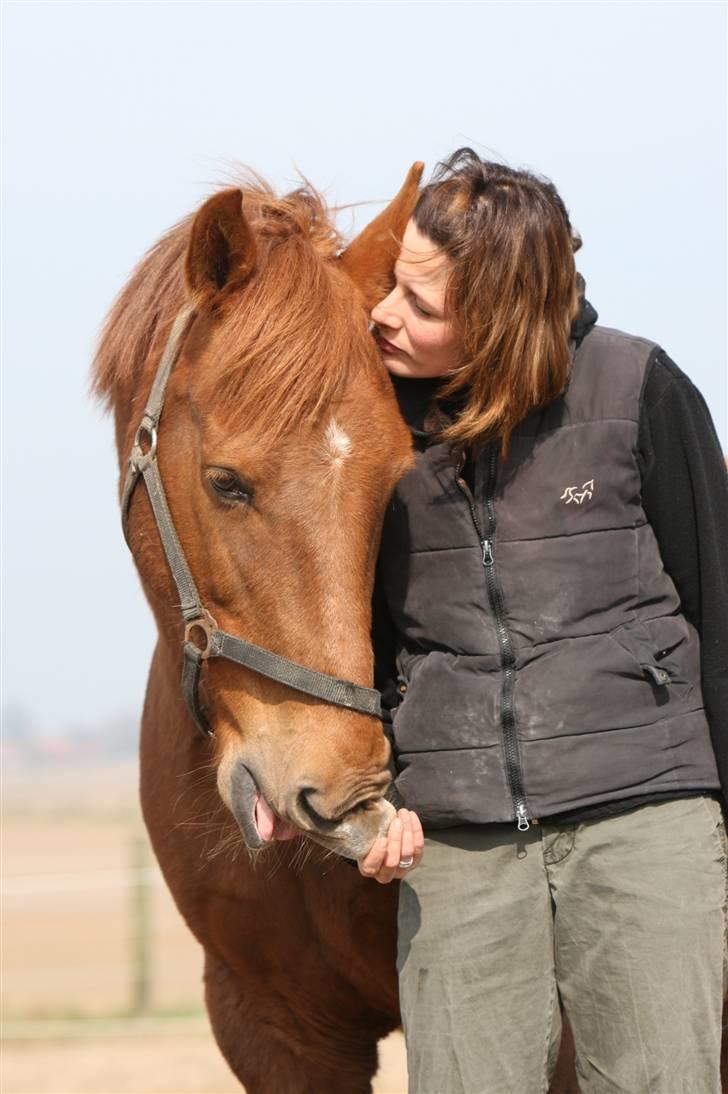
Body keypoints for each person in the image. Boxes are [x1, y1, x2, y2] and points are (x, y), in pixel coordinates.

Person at [356, 148, 728, 1094]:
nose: (385, 314)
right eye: (396, 284)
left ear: (498, 323)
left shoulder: (641, 389)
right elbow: (344, 634)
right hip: (460, 836)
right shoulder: (371, 426)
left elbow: (720, 616)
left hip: (645, 817)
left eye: (423, 306)